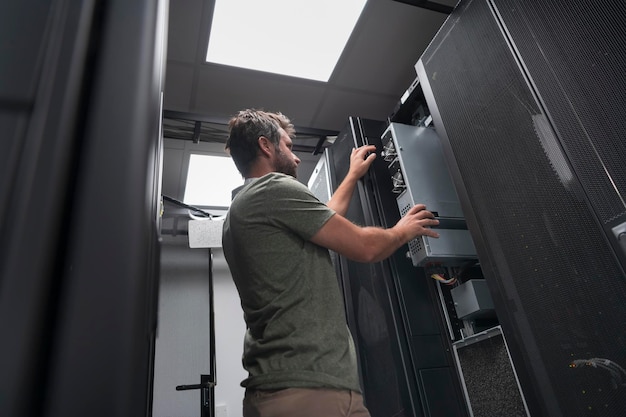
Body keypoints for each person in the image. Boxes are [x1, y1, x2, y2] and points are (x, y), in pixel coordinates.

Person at [222, 109, 439, 417]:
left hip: (282, 389)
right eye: (287, 146)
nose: (295, 158)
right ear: (266, 147)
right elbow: (365, 248)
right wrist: (402, 230)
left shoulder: (240, 211)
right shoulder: (273, 188)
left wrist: (350, 176)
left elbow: (325, 217)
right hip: (310, 391)